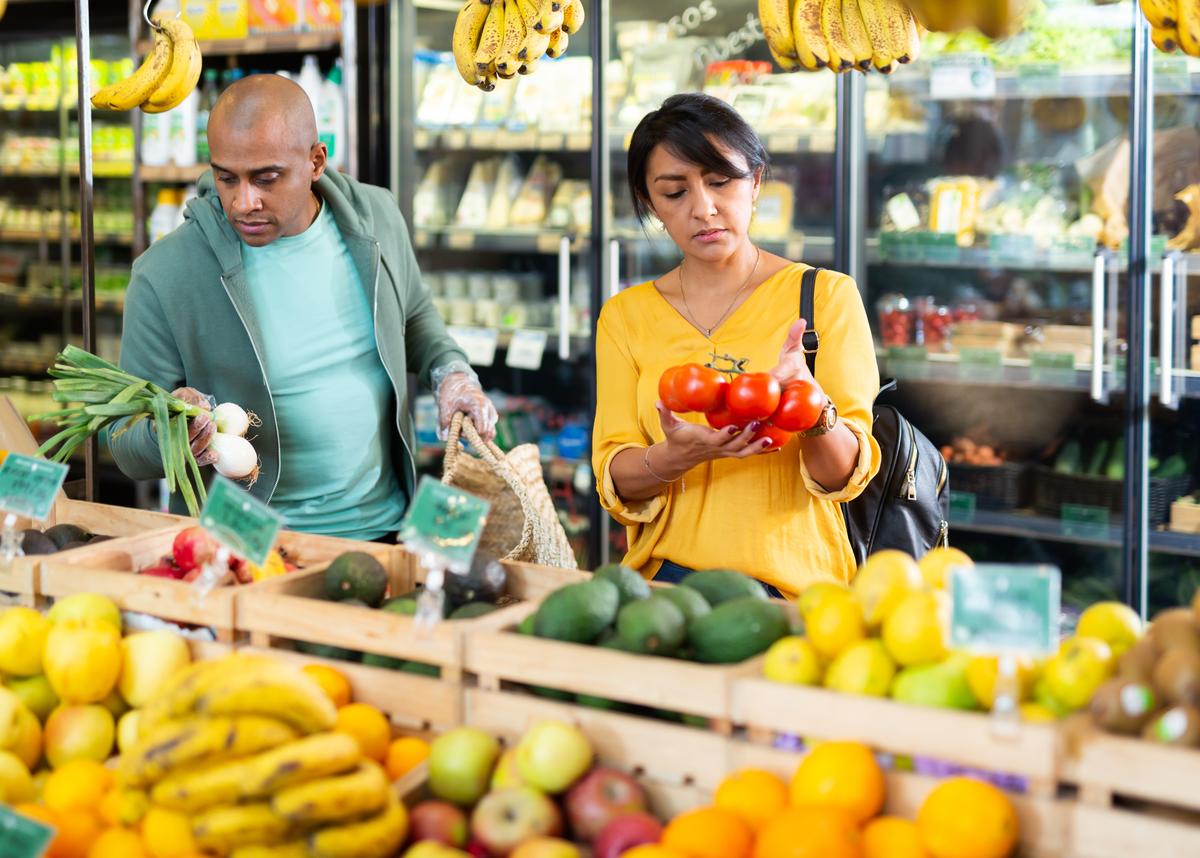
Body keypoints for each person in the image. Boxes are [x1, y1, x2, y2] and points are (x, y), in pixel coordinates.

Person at [109, 74, 496, 541]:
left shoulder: (376, 218)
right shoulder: (166, 273)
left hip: (389, 531)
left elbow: (413, 316)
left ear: (316, 161)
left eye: (266, 178)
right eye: (226, 177)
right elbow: (124, 442)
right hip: (249, 551)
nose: (243, 201)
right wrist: (169, 434)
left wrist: (450, 371)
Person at [592, 93, 882, 596]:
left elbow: (844, 479)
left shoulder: (825, 297)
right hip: (665, 589)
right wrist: (673, 458)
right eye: (674, 192)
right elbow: (613, 477)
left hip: (797, 590)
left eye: (720, 182)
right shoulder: (624, 317)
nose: (703, 209)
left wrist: (811, 408)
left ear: (756, 183)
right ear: (650, 204)